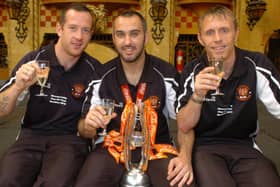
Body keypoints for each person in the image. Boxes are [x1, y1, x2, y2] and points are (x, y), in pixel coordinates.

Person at [75, 10, 194, 187]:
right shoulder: (101, 76)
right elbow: (84, 131)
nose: (128, 42)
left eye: (134, 34)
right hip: (111, 149)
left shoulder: (166, 74)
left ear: (146, 37)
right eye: (121, 35)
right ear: (114, 39)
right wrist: (89, 124)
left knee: (184, 183)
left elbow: (185, 124)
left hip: (157, 148)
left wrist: (185, 157)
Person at [176, 5, 280, 187]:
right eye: (210, 33)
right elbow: (183, 125)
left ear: (236, 33)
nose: (218, 39)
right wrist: (198, 95)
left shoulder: (256, 65)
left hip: (244, 146)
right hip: (204, 147)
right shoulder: (192, 71)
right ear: (200, 38)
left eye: (224, 30)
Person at [0, 3, 103, 187]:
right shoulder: (34, 60)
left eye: (85, 30)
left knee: (54, 182)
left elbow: (88, 127)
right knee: (7, 179)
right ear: (59, 29)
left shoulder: (95, 71)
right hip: (31, 136)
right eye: (73, 28)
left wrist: (92, 124)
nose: (79, 37)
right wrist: (18, 86)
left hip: (70, 140)